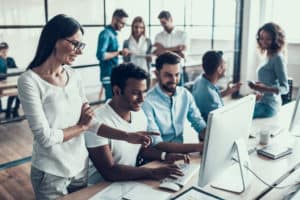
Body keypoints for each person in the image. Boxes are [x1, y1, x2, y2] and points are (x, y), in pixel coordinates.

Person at [18, 14, 156, 199]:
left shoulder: (74, 76)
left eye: (81, 45)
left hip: (79, 168)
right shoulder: (29, 81)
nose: (79, 51)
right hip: (51, 173)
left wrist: (126, 136)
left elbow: (91, 122)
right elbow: (45, 138)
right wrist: (81, 126)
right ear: (55, 40)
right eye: (75, 44)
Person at [85, 63, 189, 184]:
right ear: (117, 91)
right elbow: (110, 171)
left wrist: (165, 156)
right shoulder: (97, 122)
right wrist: (152, 172)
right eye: (135, 93)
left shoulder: (139, 114)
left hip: (128, 181)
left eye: (144, 92)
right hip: (100, 189)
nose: (142, 99)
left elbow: (140, 150)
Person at [142, 52, 206, 152]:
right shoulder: (147, 102)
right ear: (156, 74)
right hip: (158, 158)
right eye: (168, 75)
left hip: (180, 155)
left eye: (177, 75)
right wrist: (200, 147)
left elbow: (198, 123)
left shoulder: (185, 94)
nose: (174, 80)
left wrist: (212, 137)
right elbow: (157, 144)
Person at [249, 22, 289, 118]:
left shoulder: (278, 58)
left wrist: (265, 89)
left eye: (268, 39)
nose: (263, 41)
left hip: (270, 106)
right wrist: (258, 87)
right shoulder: (267, 54)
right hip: (262, 101)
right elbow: (268, 80)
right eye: (262, 38)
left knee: (241, 115)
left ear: (275, 40)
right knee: (240, 109)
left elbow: (285, 88)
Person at [192, 51, 242, 122]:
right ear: (219, 69)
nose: (226, 67)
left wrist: (226, 92)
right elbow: (222, 120)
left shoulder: (199, 80)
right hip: (212, 129)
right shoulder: (210, 95)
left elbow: (209, 98)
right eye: (224, 64)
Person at [96, 9, 130, 100]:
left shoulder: (112, 34)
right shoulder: (106, 34)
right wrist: (119, 53)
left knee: (114, 101)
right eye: (122, 23)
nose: (123, 26)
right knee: (111, 102)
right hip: (108, 74)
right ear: (114, 19)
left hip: (112, 73)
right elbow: (101, 55)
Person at [0, 42, 20, 119]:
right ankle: (7, 111)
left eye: (5, 50)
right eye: (2, 51)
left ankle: (13, 110)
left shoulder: (10, 60)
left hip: (7, 84)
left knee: (19, 91)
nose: (4, 52)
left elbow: (16, 70)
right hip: (1, 86)